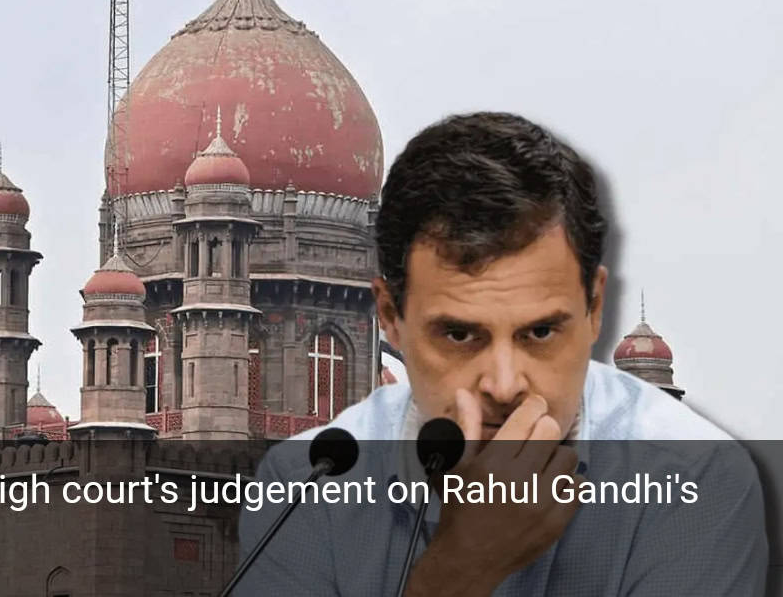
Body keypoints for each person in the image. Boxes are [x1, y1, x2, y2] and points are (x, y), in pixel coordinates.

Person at [236, 112, 767, 596]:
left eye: (540, 332)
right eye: (459, 336)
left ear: (595, 309)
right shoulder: (308, 483)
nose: (504, 384)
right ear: (391, 317)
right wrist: (460, 568)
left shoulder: (693, 477)